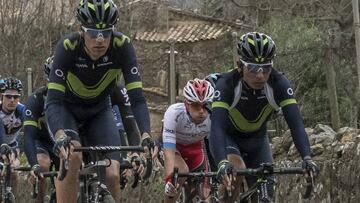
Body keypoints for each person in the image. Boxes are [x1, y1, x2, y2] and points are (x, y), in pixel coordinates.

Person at [45, 0, 151, 202]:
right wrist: (59, 134)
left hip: (99, 111)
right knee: (72, 156)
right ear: (82, 31)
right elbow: (53, 102)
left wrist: (146, 134)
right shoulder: (67, 47)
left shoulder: (123, 46)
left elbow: (137, 99)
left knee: (112, 173)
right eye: (93, 33)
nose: (100, 40)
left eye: (106, 33)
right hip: (67, 110)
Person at [210, 32, 319, 202]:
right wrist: (222, 162)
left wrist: (307, 158)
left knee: (267, 191)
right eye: (253, 68)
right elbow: (216, 127)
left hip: (257, 140)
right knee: (235, 171)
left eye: (266, 68)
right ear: (240, 65)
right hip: (228, 138)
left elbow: (296, 124)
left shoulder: (279, 83)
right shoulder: (227, 84)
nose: (260, 75)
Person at [162, 78, 214, 203]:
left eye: (205, 105)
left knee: (206, 197)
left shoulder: (214, 116)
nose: (201, 111)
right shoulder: (174, 113)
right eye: (196, 105)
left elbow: (215, 146)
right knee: (180, 173)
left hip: (196, 149)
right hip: (175, 148)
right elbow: (169, 149)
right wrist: (169, 179)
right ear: (186, 104)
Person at [0, 77, 25, 197]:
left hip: (11, 146)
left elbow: (30, 133)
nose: (12, 100)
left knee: (14, 172)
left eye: (16, 97)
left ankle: (11, 197)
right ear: (1, 96)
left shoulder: (22, 110)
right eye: (8, 96)